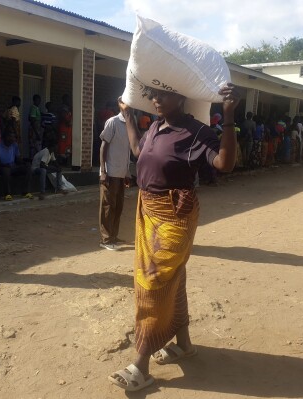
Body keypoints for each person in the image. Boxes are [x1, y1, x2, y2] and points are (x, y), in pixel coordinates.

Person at [107, 83, 239, 392]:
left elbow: (225, 164)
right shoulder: (156, 125)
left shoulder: (196, 132)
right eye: (152, 94)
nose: (155, 99)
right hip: (147, 209)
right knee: (173, 278)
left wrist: (229, 116)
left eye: (162, 94)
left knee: (153, 281)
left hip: (175, 214)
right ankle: (184, 345)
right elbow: (140, 152)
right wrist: (128, 117)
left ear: (181, 96)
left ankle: (140, 364)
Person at [98, 104, 131, 251]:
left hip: (121, 173)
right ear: (121, 107)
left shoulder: (130, 124)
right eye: (128, 107)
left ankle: (113, 235)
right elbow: (103, 147)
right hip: (110, 172)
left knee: (118, 207)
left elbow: (126, 151)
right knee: (107, 207)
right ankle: (105, 239)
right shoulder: (112, 122)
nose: (131, 109)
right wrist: (103, 171)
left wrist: (127, 172)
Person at [0, 133, 33, 201]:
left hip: (13, 166)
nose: (13, 139)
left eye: (13, 137)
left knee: (28, 168)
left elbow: (17, 159)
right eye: (11, 137)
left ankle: (26, 192)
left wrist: (24, 162)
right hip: (2, 167)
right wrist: (5, 165)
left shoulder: (14, 145)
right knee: (6, 171)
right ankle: (7, 194)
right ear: (5, 137)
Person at [57, 94, 73, 164]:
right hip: (63, 128)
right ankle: (61, 161)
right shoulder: (63, 108)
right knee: (62, 143)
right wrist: (68, 121)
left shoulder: (68, 108)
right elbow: (64, 118)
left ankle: (66, 160)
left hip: (68, 129)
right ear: (64, 100)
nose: (69, 101)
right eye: (67, 99)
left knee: (68, 144)